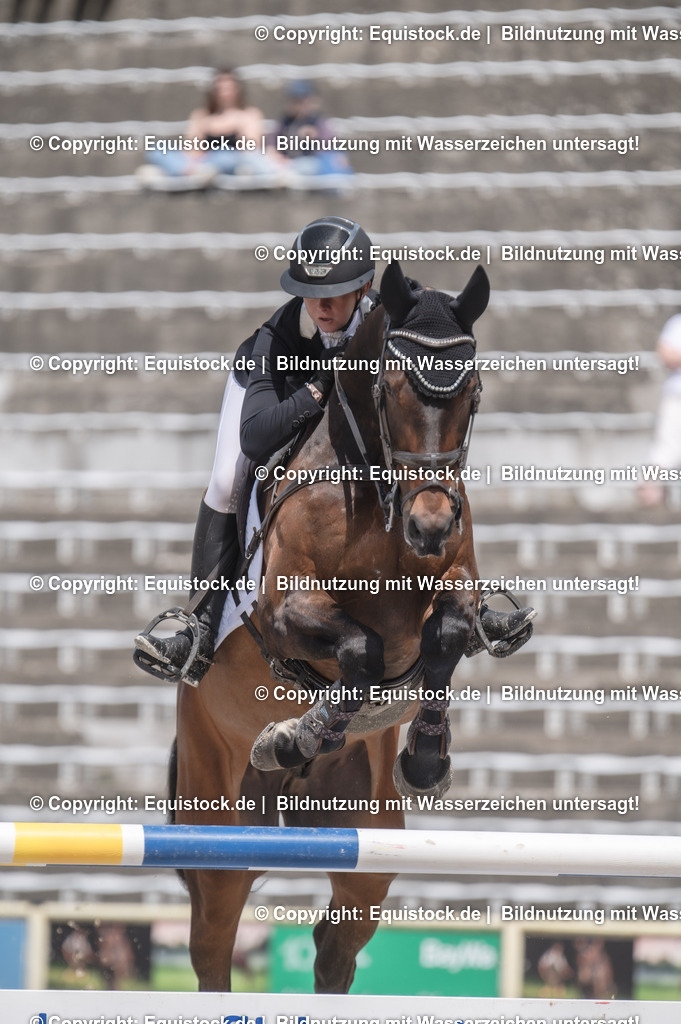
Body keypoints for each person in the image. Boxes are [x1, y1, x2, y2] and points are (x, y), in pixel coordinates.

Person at [134, 216, 534, 696]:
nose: (321, 306)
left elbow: (434, 319)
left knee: (426, 457)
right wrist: (320, 385)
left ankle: (473, 603)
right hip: (280, 399)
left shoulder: (390, 307)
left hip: (361, 429)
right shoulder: (275, 341)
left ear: (366, 285)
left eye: (337, 292)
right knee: (224, 480)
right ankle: (198, 626)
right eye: (309, 291)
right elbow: (258, 436)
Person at [139, 68, 276, 188]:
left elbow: (250, 147)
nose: (224, 92)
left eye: (228, 88)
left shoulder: (249, 114)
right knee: (156, 148)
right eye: (220, 88)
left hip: (229, 159)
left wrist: (234, 125)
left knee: (225, 153)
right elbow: (191, 147)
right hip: (203, 161)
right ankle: (188, 172)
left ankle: (174, 173)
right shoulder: (201, 115)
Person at [269, 79, 354, 179]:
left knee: (309, 165)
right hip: (288, 164)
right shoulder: (284, 122)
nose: (302, 105)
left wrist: (315, 137)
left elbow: (335, 153)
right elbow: (272, 147)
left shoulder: (320, 122)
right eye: (297, 101)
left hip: (314, 164)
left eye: (304, 100)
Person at [639, 313, 681, 506]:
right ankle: (650, 497)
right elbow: (665, 353)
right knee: (665, 450)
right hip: (677, 397)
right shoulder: (677, 322)